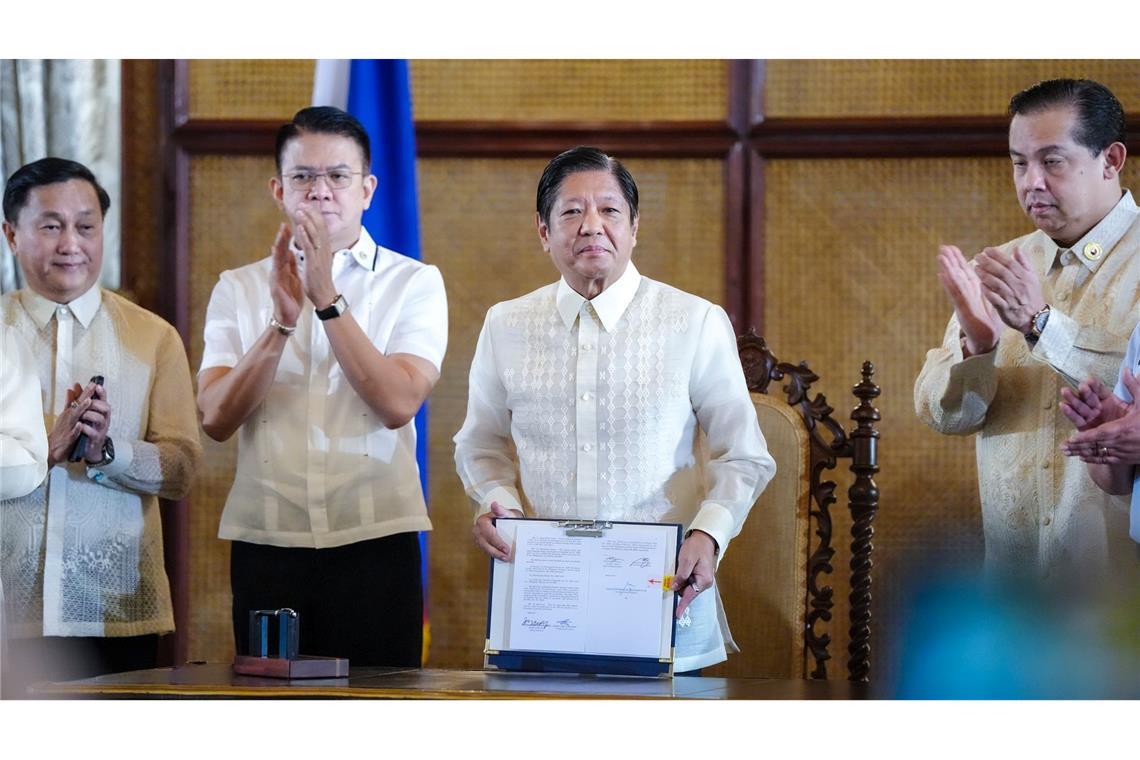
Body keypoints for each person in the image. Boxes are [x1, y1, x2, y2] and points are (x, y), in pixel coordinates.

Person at [453, 146, 775, 673]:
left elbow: (744, 455)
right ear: (543, 231)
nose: (591, 225)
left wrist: (709, 533)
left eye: (609, 210)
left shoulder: (693, 321)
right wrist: (495, 502)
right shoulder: (505, 325)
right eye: (571, 211)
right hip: (542, 605)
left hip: (663, 597)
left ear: (634, 226)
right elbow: (479, 443)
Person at [197, 106, 447, 667]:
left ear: (368, 189)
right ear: (278, 189)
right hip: (269, 540)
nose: (321, 192)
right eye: (304, 177)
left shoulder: (415, 283)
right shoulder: (237, 288)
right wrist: (281, 322)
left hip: (376, 538)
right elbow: (214, 418)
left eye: (338, 176)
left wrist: (327, 300)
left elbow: (397, 403)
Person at [915, 78, 1140, 583]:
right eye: (1019, 162)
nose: (1031, 182)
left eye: (1052, 161)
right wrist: (979, 348)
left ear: (1111, 159)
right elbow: (944, 416)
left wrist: (1043, 326)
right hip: (1012, 590)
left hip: (1119, 598)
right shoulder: (998, 268)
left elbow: (1133, 385)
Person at [0, 158, 201, 697]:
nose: (71, 243)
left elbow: (182, 469)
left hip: (117, 610)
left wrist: (108, 451)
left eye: (86, 226)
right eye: (50, 226)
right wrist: (47, 442)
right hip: (8, 615)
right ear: (10, 234)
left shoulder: (153, 338)